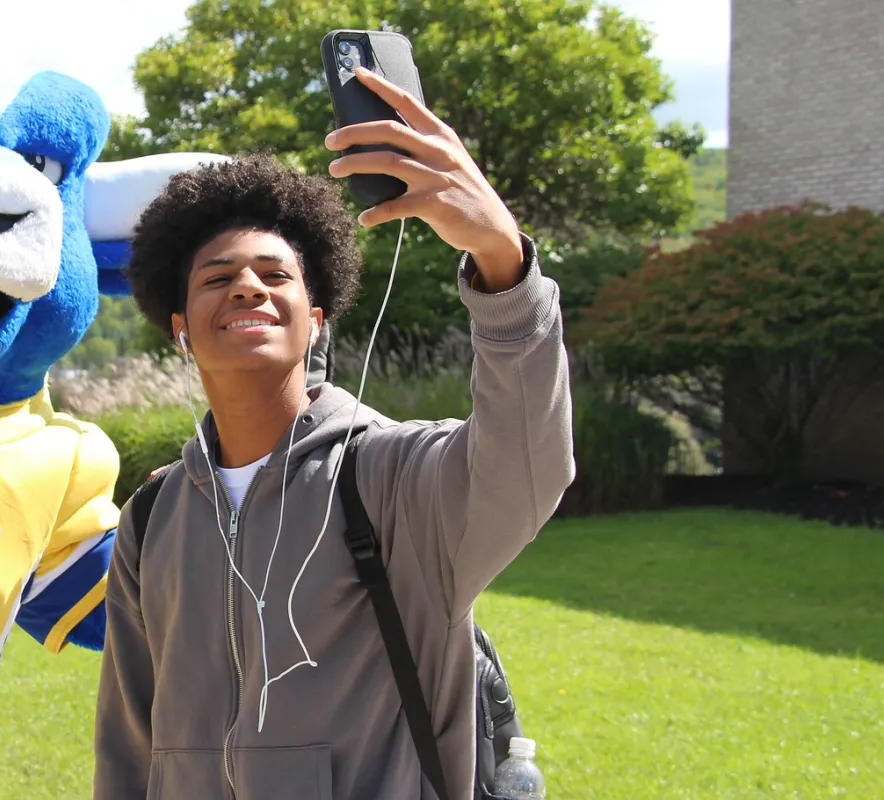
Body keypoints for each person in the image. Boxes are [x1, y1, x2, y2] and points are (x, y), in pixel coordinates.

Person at [93, 67, 575, 800]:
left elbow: (527, 465)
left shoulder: (391, 475)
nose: (247, 286)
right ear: (182, 330)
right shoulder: (154, 515)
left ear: (316, 319)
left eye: (274, 274)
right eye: (217, 277)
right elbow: (129, 740)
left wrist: (503, 264)